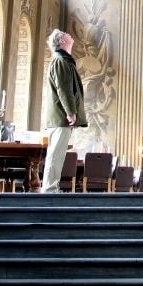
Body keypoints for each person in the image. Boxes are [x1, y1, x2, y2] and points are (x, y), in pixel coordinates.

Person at [41, 29, 86, 192]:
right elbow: (63, 88)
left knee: (58, 153)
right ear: (61, 42)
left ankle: (52, 186)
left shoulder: (64, 60)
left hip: (62, 116)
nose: (70, 34)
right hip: (61, 115)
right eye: (66, 34)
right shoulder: (60, 60)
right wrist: (70, 111)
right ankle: (49, 188)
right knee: (55, 152)